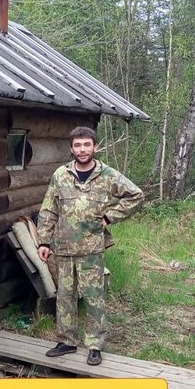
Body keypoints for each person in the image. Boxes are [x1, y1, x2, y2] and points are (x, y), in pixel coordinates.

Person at [37, 126, 144, 366]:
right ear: (71, 148)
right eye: (77, 145)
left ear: (95, 147)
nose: (82, 150)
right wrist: (44, 241)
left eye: (87, 145)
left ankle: (95, 345)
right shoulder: (61, 175)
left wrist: (109, 217)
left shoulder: (107, 175)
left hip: (92, 249)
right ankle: (66, 340)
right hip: (63, 248)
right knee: (65, 297)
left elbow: (136, 195)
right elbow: (48, 209)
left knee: (94, 297)